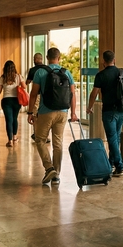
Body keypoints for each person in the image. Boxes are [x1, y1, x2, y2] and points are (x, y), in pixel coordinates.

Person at [27, 47, 78, 186]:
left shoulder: (40, 72)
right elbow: (73, 94)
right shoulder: (66, 72)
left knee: (40, 140)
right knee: (57, 143)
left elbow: (33, 94)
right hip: (62, 112)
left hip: (45, 111)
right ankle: (57, 175)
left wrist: (30, 112)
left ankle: (49, 168)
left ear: (47, 58)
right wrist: (73, 113)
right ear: (59, 58)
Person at [86, 50, 123, 177]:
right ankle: (111, 162)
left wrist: (89, 107)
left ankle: (119, 166)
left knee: (112, 139)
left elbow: (94, 93)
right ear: (114, 60)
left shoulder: (100, 75)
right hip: (122, 110)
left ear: (103, 61)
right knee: (116, 138)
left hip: (109, 111)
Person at [0, 61, 26, 147]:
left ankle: (10, 141)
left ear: (5, 68)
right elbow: (24, 87)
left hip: (6, 101)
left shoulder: (2, 78)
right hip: (16, 101)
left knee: (9, 120)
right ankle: (15, 137)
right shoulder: (18, 77)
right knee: (14, 118)